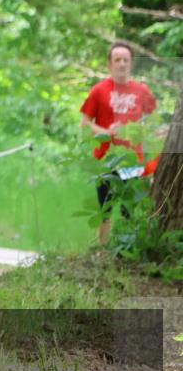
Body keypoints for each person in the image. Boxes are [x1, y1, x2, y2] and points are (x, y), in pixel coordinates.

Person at [80, 41, 157, 244]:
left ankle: (127, 251)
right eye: (117, 60)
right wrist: (106, 132)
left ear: (131, 63)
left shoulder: (142, 91)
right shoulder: (98, 90)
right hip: (105, 158)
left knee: (129, 209)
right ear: (109, 64)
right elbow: (85, 124)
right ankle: (102, 250)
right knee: (105, 208)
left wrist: (141, 131)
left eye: (126, 60)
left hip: (132, 160)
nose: (122, 64)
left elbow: (154, 122)